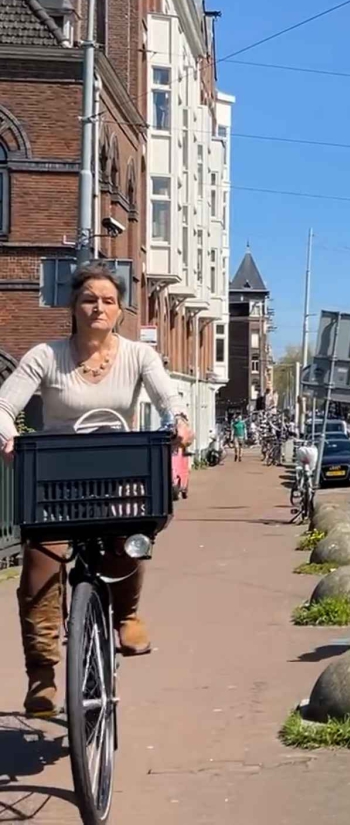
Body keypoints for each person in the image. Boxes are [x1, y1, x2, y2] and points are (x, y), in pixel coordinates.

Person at [0, 263, 193, 716]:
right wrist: (7, 433)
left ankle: (126, 615)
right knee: (39, 569)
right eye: (89, 299)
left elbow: (168, 398)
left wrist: (180, 422)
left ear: (121, 309)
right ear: (74, 306)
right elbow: (5, 402)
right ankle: (43, 675)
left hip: (114, 474)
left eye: (108, 300)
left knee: (132, 535)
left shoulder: (138, 356)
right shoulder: (46, 356)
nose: (98, 308)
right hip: (57, 480)